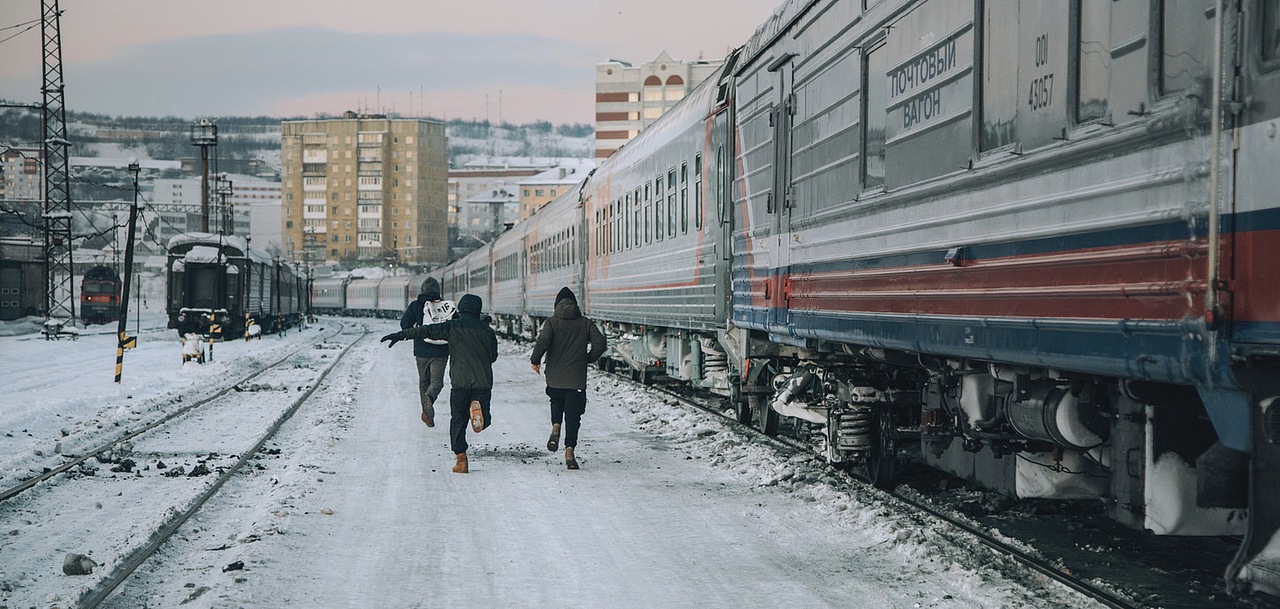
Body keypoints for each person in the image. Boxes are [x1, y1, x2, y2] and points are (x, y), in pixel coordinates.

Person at [382, 293, 497, 474]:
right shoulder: (487, 331)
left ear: (461, 308)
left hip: (460, 383)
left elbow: (425, 331)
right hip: (483, 382)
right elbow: (493, 356)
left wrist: (401, 335)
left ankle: (461, 459)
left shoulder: (452, 327)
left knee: (458, 420)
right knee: (485, 416)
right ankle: (480, 416)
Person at [530, 287, 607, 470]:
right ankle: (569, 452)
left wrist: (535, 360)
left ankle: (556, 427)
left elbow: (543, 341)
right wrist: (588, 358)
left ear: (556, 304)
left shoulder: (551, 322)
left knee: (556, 400)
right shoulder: (585, 323)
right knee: (573, 417)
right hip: (576, 380)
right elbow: (600, 343)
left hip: (555, 378)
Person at [400, 278, 455, 427]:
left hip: (421, 351)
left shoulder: (416, 306)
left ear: (422, 290)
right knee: (437, 382)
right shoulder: (445, 306)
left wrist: (417, 331)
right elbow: (454, 324)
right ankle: (429, 399)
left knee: (424, 382)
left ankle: (428, 414)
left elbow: (404, 324)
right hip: (441, 351)